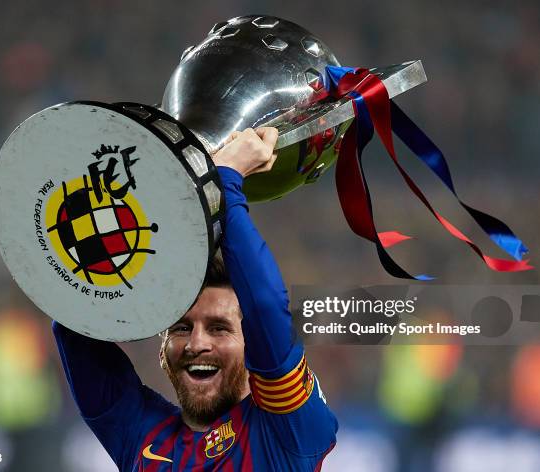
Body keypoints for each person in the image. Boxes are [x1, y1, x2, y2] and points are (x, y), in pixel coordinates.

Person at [53, 127, 338, 471]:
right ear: (162, 346)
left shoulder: (289, 428)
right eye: (181, 328)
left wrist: (226, 181)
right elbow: (71, 309)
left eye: (219, 328)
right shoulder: (139, 435)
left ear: (255, 344)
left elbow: (264, 307)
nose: (196, 343)